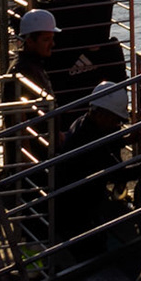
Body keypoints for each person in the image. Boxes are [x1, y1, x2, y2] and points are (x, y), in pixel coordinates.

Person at [49, 83, 136, 260]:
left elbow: (104, 145)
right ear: (103, 115)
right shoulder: (92, 143)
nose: (117, 125)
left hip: (70, 206)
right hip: (77, 215)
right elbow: (117, 173)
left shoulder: (82, 123)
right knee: (93, 254)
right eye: (116, 120)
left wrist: (124, 140)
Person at [5, 8, 58, 104]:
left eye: (52, 38)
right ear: (30, 41)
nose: (52, 44)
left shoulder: (28, 65)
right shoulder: (26, 70)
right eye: (46, 40)